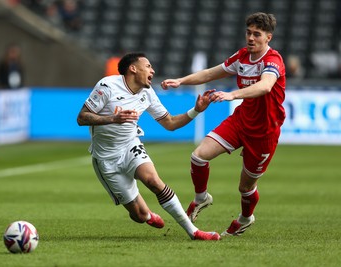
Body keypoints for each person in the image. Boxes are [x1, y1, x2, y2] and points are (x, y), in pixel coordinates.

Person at [161, 12, 286, 236]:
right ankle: (201, 197)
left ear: (268, 38)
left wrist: (232, 95)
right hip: (240, 121)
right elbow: (211, 73)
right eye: (248, 32)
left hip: (264, 132)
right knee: (198, 156)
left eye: (257, 34)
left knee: (245, 188)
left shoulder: (272, 60)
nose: (250, 38)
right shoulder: (242, 56)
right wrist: (181, 80)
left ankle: (245, 218)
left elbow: (265, 86)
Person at [77, 52, 220, 241]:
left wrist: (196, 110)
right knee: (138, 215)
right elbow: (82, 118)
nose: (152, 70)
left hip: (130, 146)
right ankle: (147, 214)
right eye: (148, 66)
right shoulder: (107, 86)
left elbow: (169, 123)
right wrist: (112, 118)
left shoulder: (148, 93)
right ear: (133, 68)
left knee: (153, 180)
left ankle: (193, 231)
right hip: (106, 159)